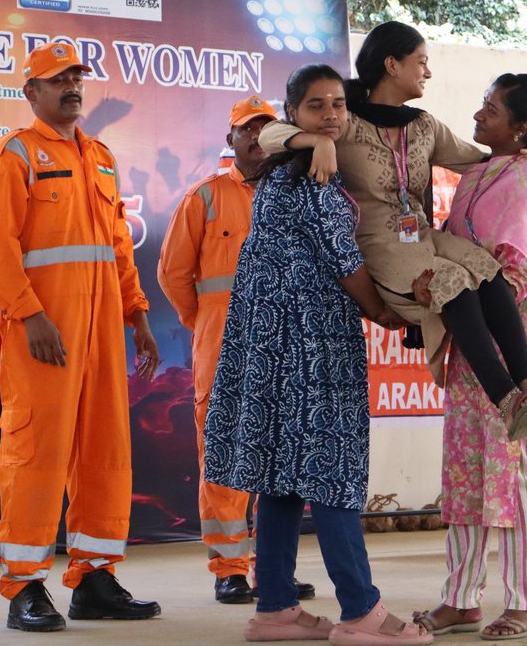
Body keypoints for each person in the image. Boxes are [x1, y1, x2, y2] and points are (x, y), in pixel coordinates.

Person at [258, 22, 527, 441]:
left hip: (421, 234)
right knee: (453, 283)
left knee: (484, 268)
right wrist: (315, 142)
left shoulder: (424, 126)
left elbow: (480, 160)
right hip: (378, 243)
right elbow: (268, 134)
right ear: (392, 65)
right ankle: (506, 402)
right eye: (421, 62)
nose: (428, 72)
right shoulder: (345, 121)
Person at [203, 63, 431, 645]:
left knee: (280, 476)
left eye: (337, 104)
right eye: (316, 106)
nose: (330, 114)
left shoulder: (280, 173)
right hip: (312, 345)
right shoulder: (314, 179)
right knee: (333, 473)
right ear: (293, 114)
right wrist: (386, 313)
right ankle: (361, 613)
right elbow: (347, 266)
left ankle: (275, 608)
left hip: (266, 346)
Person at [0, 42, 161, 632]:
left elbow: (116, 247)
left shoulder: (100, 157)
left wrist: (136, 315)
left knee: (105, 452)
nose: (72, 88)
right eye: (58, 79)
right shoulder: (16, 155)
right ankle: (25, 587)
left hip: (103, 329)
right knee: (36, 455)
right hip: (44, 333)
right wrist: (29, 315)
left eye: (77, 78)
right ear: (32, 92)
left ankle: (95, 578)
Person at [412, 73, 527, 640]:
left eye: (491, 110)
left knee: (517, 470)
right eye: (481, 105)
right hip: (473, 345)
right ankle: (461, 598)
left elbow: (521, 269)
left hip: (523, 339)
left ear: (522, 127)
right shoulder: (477, 173)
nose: (479, 117)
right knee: (465, 467)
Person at [158, 96, 315, 605]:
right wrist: (204, 321)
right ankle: (229, 568)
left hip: (287, 349)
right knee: (225, 457)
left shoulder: (299, 195)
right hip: (223, 349)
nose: (257, 137)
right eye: (248, 129)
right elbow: (173, 276)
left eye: (267, 128)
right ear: (231, 140)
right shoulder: (204, 198)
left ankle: (274, 571)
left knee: (284, 462)